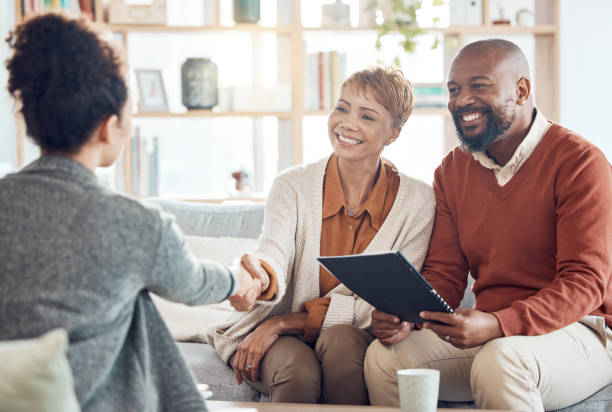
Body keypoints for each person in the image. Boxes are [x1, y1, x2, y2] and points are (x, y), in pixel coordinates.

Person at [0, 13, 269, 412]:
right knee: (137, 299)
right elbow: (193, 283)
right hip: (85, 401)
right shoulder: (134, 224)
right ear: (109, 128)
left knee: (133, 296)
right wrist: (238, 279)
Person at [364, 39, 612, 412]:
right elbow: (446, 275)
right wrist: (407, 316)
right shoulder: (452, 171)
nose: (462, 100)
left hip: (582, 331)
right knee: (385, 359)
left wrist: (499, 324)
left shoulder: (580, 162)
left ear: (521, 90)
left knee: (501, 361)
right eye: (454, 90)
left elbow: (585, 284)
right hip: (492, 333)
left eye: (479, 86)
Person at [206, 66, 435, 404]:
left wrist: (284, 323)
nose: (347, 123)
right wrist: (258, 279)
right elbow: (274, 254)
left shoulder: (418, 203)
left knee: (342, 344)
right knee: (298, 372)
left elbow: (386, 303)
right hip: (280, 334)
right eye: (342, 108)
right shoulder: (291, 186)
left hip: (351, 336)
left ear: (394, 132)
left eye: (368, 117)